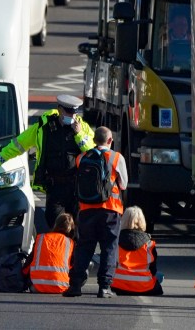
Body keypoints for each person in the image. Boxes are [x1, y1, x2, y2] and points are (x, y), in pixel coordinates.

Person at [0, 94, 95, 227]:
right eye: (68, 112)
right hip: (55, 187)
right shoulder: (44, 127)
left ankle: (73, 247)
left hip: (77, 188)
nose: (72, 116)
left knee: (79, 229)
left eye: (74, 113)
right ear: (59, 110)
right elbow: (20, 143)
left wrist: (79, 135)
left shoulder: (83, 128)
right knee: (55, 224)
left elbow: (92, 154)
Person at [63, 126, 127, 299]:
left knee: (84, 247)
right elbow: (123, 184)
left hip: (86, 210)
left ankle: (75, 285)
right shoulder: (116, 157)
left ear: (94, 140)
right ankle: (104, 287)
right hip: (110, 210)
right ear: (110, 140)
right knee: (109, 248)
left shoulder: (82, 157)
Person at [111, 206, 163, 296]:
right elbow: (153, 269)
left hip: (119, 286)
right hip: (144, 287)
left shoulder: (116, 240)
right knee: (159, 276)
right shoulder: (149, 243)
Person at [24, 212, 76, 294]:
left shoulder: (40, 238)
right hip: (62, 287)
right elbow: (75, 266)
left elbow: (29, 262)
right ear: (71, 228)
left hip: (37, 286)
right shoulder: (70, 243)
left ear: (56, 224)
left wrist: (23, 275)